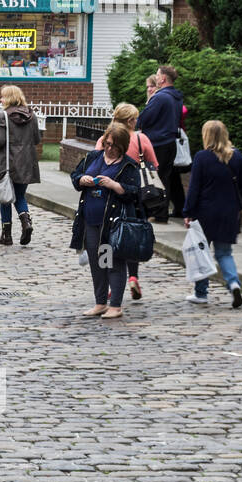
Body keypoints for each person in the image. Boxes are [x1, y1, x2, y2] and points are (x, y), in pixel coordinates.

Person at [68, 121, 141, 320]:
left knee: (111, 262)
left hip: (112, 223)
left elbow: (135, 193)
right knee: (96, 262)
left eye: (114, 146)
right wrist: (81, 179)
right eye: (107, 144)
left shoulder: (128, 165)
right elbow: (75, 175)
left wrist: (115, 185)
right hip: (90, 220)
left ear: (122, 147)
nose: (109, 148)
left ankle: (115, 305)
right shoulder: (94, 157)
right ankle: (100, 302)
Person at [182, 120, 242, 308]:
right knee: (224, 253)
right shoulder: (236, 157)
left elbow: (194, 187)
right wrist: (240, 204)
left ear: (207, 136)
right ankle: (234, 283)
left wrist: (188, 211)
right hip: (229, 212)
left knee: (201, 252)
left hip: (205, 213)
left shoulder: (202, 157)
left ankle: (201, 293)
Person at [96, 102, 158, 300]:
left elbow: (96, 162)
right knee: (130, 236)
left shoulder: (105, 139)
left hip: (107, 199)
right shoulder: (141, 138)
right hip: (132, 198)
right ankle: (132, 277)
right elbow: (154, 164)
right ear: (131, 121)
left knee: (105, 242)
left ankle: (108, 284)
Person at [0, 84, 41, 246]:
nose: (1, 99)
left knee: (5, 199)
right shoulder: (31, 116)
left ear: (10, 98)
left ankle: (6, 236)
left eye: (3, 96)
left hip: (8, 163)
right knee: (19, 196)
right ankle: (26, 223)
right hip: (26, 162)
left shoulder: (3, 116)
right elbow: (37, 139)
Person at [137, 65, 184, 223]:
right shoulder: (176, 97)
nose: (156, 78)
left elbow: (144, 118)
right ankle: (161, 212)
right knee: (164, 178)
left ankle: (156, 212)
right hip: (170, 142)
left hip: (157, 143)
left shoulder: (160, 97)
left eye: (157, 76)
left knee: (153, 178)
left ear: (163, 78)